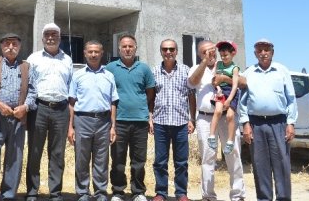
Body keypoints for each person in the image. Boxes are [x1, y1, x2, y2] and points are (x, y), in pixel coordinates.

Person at [0, 33, 36, 201]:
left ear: (20, 47)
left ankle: (8, 196)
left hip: (18, 118)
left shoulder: (27, 66)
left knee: (14, 159)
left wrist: (25, 107)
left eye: (14, 44)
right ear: (1, 46)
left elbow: (33, 91)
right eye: (7, 44)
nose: (11, 47)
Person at [239, 38, 297, 201]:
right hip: (256, 124)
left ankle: (283, 198)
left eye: (266, 50)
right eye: (259, 50)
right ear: (255, 53)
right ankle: (264, 198)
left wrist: (290, 123)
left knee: (282, 164)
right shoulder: (249, 72)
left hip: (278, 123)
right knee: (260, 165)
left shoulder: (281, 71)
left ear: (272, 52)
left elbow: (291, 98)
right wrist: (245, 124)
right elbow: (243, 100)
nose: (263, 53)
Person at [188, 40, 246, 201]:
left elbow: (243, 83)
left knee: (233, 154)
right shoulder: (195, 68)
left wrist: (224, 79)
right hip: (205, 119)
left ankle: (238, 195)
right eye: (205, 52)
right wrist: (205, 62)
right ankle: (208, 196)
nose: (210, 54)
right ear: (200, 54)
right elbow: (192, 82)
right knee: (207, 158)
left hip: (227, 117)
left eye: (212, 50)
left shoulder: (226, 64)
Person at [25, 23, 74, 201]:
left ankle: (55, 193)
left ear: (60, 38)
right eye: (47, 34)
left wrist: (71, 120)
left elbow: (70, 89)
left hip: (61, 109)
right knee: (35, 151)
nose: (51, 37)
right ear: (43, 37)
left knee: (57, 153)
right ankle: (32, 191)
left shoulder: (67, 60)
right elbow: (27, 85)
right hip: (39, 108)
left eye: (54, 34)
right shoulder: (33, 58)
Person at [104, 34, 155, 201]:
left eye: (130, 46)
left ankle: (138, 192)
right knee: (118, 159)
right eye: (124, 46)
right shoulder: (110, 68)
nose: (127, 49)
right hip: (118, 121)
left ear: (135, 48)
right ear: (119, 49)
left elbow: (150, 93)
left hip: (140, 121)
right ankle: (118, 192)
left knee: (138, 160)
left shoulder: (144, 69)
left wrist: (145, 111)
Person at [67, 41, 118, 201]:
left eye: (97, 52)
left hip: (103, 121)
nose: (94, 54)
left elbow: (113, 102)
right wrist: (70, 127)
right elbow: (71, 102)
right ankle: (82, 192)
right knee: (81, 159)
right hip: (82, 120)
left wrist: (113, 127)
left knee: (101, 160)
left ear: (102, 53)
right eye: (90, 52)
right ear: (85, 53)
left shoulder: (109, 76)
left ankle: (101, 192)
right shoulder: (77, 75)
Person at [149, 39, 195, 201]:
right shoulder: (154, 71)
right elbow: (151, 97)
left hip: (181, 123)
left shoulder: (186, 70)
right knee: (160, 161)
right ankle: (161, 192)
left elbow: (191, 96)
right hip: (160, 122)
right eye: (165, 49)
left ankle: (181, 193)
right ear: (161, 51)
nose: (168, 52)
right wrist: (150, 118)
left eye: (171, 49)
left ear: (177, 51)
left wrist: (192, 119)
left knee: (181, 162)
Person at [207, 40, 240, 155]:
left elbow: (235, 85)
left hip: (231, 92)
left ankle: (230, 141)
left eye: (226, 55)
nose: (224, 57)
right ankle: (211, 136)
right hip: (220, 91)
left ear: (233, 53)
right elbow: (215, 80)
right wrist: (218, 90)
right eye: (221, 55)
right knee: (217, 111)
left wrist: (229, 99)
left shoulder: (234, 68)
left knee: (230, 116)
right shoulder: (218, 64)